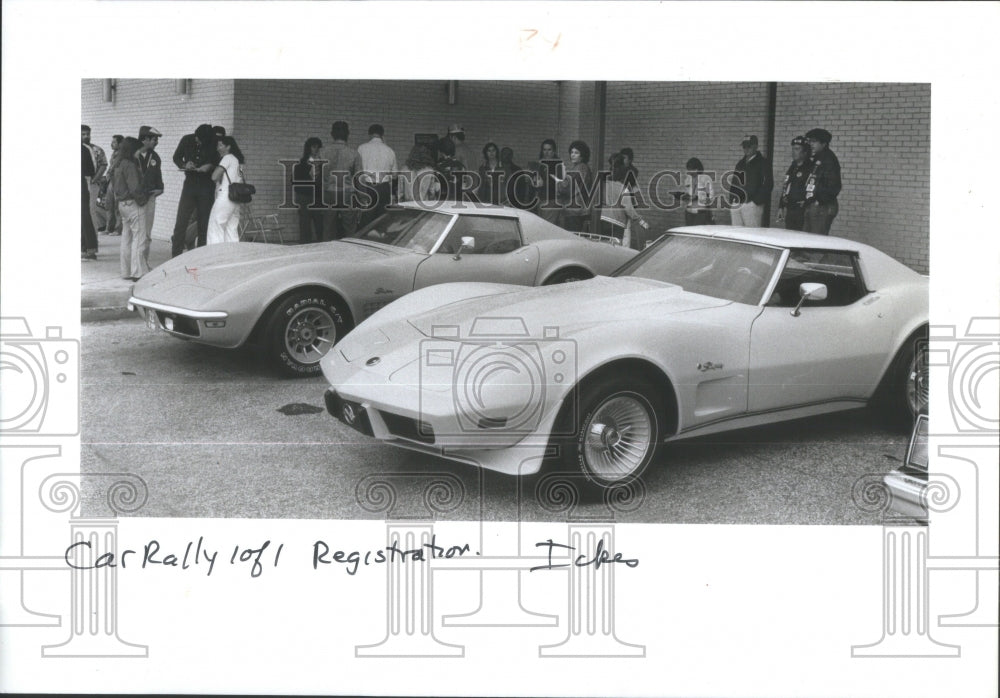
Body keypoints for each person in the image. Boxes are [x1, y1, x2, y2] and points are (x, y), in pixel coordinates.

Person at [171, 124, 219, 256]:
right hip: (190, 184)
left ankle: (200, 256)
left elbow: (219, 161)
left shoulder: (214, 143)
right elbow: (176, 157)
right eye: (197, 138)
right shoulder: (187, 139)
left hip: (207, 185)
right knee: (181, 220)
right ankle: (176, 255)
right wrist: (184, 164)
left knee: (204, 223)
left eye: (200, 140)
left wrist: (210, 166)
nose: (197, 141)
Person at [111, 137, 149, 280]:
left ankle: (125, 271)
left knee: (126, 239)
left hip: (122, 204)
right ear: (133, 150)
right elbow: (134, 188)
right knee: (139, 238)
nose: (140, 153)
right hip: (134, 204)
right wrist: (142, 201)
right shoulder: (130, 165)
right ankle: (138, 272)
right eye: (138, 150)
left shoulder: (118, 164)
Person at [324, 121, 363, 240]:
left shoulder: (322, 152)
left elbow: (314, 175)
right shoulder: (354, 154)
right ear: (347, 134)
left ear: (332, 134)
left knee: (328, 228)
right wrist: (362, 199)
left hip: (328, 193)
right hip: (347, 194)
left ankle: (327, 254)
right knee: (350, 229)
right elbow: (359, 178)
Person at [600, 153, 650, 246]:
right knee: (616, 247)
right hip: (618, 222)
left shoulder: (604, 184)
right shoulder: (623, 188)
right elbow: (628, 208)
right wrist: (640, 221)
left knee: (604, 245)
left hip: (603, 219)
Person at [206, 136, 246, 245]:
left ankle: (215, 257)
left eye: (220, 145)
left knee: (216, 227)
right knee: (231, 229)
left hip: (225, 196)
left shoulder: (227, 158)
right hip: (235, 198)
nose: (218, 148)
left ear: (228, 147)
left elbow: (214, 176)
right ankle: (232, 257)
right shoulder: (237, 160)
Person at [135, 126, 164, 274]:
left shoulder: (155, 157)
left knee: (146, 233)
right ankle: (135, 266)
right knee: (136, 234)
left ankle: (144, 264)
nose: (156, 142)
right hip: (135, 199)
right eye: (154, 139)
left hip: (150, 198)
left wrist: (160, 188)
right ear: (144, 139)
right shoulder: (134, 155)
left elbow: (158, 176)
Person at [356, 124, 398, 228]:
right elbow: (395, 175)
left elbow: (357, 172)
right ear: (382, 135)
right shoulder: (390, 151)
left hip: (367, 187)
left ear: (369, 134)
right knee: (381, 220)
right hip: (384, 188)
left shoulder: (361, 148)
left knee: (366, 220)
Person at [802, 128, 842, 235]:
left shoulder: (828, 159)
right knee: (807, 239)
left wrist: (819, 200)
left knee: (815, 240)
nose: (811, 144)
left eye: (814, 141)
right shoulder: (817, 157)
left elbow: (835, 186)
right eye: (810, 141)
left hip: (822, 206)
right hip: (814, 204)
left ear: (824, 143)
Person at [728, 134, 773, 227]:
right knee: (736, 233)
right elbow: (734, 182)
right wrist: (732, 199)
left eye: (749, 146)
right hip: (738, 203)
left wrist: (755, 202)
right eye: (744, 146)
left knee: (752, 233)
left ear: (755, 146)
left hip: (751, 204)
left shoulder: (762, 162)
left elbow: (768, 184)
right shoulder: (740, 163)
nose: (746, 149)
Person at [555, 139, 593, 232]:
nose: (572, 155)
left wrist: (557, 183)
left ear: (582, 155)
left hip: (574, 211)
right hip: (576, 210)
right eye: (571, 152)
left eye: (576, 152)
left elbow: (567, 188)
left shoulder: (580, 167)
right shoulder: (581, 167)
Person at [776, 136, 812, 231]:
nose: (793, 152)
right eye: (793, 149)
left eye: (797, 149)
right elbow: (786, 186)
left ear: (805, 152)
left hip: (803, 211)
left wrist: (806, 202)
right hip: (791, 210)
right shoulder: (793, 167)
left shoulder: (811, 168)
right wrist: (781, 206)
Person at [294, 137, 325, 243]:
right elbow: (294, 181)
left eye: (318, 147)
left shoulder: (322, 165)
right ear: (308, 148)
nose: (316, 150)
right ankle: (304, 246)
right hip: (304, 197)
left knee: (320, 225)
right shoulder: (301, 164)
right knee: (305, 226)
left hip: (317, 197)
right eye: (314, 147)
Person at [82, 125, 109, 233]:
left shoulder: (96, 150)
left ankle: (92, 238)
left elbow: (103, 164)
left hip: (91, 184)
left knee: (90, 210)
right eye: (83, 134)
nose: (86, 136)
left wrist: (94, 179)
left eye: (88, 134)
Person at [99, 135, 124, 235]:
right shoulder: (114, 153)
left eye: (114, 142)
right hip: (111, 181)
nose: (111, 144)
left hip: (118, 182)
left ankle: (118, 229)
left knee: (117, 206)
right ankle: (109, 228)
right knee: (109, 204)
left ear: (120, 143)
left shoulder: (122, 155)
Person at [534, 139, 563, 224]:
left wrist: (543, 183)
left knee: (547, 225)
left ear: (554, 151)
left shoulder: (557, 165)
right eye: (544, 150)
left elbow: (558, 183)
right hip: (542, 198)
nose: (546, 152)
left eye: (549, 150)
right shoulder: (542, 164)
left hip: (552, 200)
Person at [682, 157, 716, 226]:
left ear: (697, 169)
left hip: (701, 212)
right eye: (688, 169)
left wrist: (698, 197)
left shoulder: (705, 178)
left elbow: (710, 196)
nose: (689, 171)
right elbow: (686, 192)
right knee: (689, 232)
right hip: (689, 212)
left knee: (698, 231)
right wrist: (685, 196)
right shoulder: (688, 179)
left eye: (690, 169)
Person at [81, 141, 99, 260]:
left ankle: (87, 247)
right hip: (81, 183)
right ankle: (89, 248)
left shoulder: (86, 149)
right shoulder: (85, 149)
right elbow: (91, 170)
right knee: (85, 216)